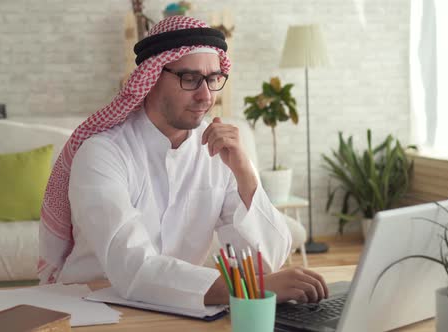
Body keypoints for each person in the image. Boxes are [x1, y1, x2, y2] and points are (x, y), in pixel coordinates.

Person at [39, 16, 327, 310]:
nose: (206, 95)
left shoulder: (218, 151)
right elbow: (134, 269)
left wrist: (246, 175)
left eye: (213, 79)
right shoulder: (103, 153)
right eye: (189, 79)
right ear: (150, 80)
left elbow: (265, 261)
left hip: (181, 308)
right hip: (92, 306)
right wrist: (251, 290)